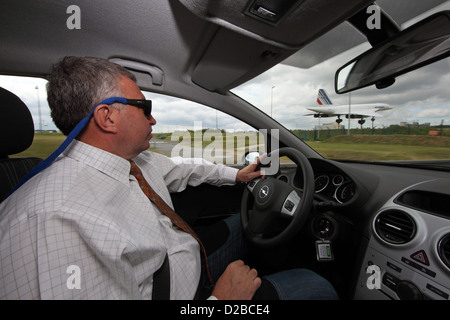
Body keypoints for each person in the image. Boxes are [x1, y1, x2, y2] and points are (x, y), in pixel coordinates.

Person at [0, 56, 337, 300]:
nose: (154, 120)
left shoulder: (133, 160)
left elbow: (188, 168)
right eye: (144, 108)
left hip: (180, 257)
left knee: (245, 221)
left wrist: (237, 175)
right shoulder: (56, 219)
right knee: (315, 286)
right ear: (107, 118)